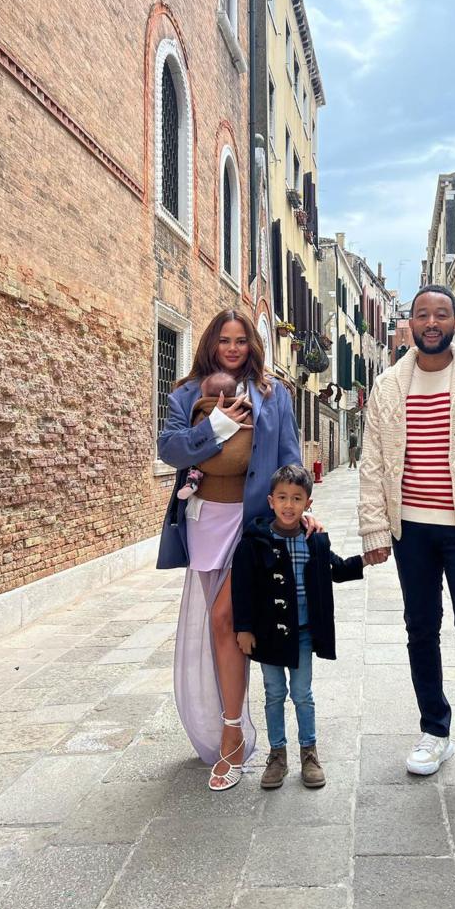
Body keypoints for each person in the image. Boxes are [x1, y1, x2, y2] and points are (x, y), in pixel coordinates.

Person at [358, 283, 455, 798]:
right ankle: (434, 731)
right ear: (409, 325)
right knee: (421, 629)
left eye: (441, 314)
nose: (432, 323)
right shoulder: (387, 385)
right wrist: (374, 529)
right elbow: (373, 463)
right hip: (412, 532)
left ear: (454, 322)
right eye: (422, 315)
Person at [157, 309, 317, 792]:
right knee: (222, 626)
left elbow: (289, 455)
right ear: (211, 343)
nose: (232, 347)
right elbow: (171, 449)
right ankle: (231, 725)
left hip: (253, 527)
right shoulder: (186, 394)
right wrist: (217, 425)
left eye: (241, 340)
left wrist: (301, 506)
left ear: (252, 345)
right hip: (206, 523)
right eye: (224, 340)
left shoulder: (274, 394)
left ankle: (234, 735)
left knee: (228, 619)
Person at [232, 465, 365, 790]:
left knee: (302, 694)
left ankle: (309, 753)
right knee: (274, 694)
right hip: (267, 634)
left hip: (303, 633)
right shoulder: (256, 541)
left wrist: (367, 560)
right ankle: (277, 755)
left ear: (308, 503)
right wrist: (244, 628)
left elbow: (336, 568)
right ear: (271, 501)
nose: (289, 505)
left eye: (296, 498)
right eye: (282, 498)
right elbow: (242, 588)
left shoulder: (314, 540)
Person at [176, 370, 239, 501]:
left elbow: (190, 441)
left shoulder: (201, 414)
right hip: (238, 474)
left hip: (206, 467)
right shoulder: (244, 411)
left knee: (197, 458)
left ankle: (193, 480)